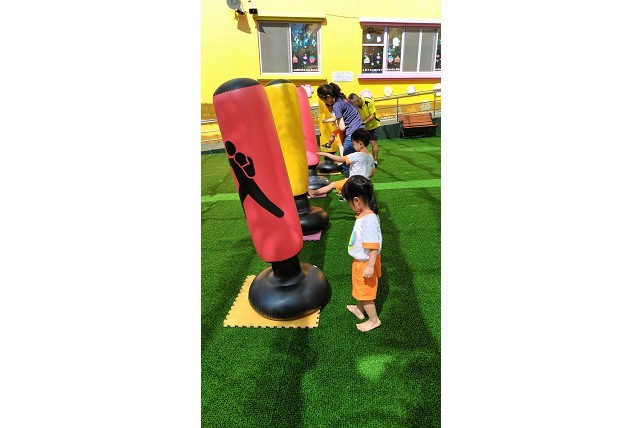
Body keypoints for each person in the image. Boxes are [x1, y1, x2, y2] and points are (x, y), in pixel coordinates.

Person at [342, 174, 382, 332]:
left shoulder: (368, 220)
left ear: (357, 200)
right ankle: (360, 310)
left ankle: (374, 320)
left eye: (349, 202)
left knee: (366, 295)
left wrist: (370, 266)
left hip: (365, 263)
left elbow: (373, 245)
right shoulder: (364, 215)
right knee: (360, 289)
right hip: (361, 262)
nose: (349, 205)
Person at [308, 129, 375, 201]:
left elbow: (340, 159)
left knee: (332, 185)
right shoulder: (370, 156)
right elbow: (372, 172)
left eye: (354, 144)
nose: (353, 146)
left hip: (354, 182)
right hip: (366, 182)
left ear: (360, 144)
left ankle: (314, 193)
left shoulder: (356, 155)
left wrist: (326, 154)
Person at [317, 83, 364, 177]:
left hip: (352, 133)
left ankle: (350, 182)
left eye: (323, 100)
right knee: (357, 159)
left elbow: (342, 128)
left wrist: (335, 121)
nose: (324, 102)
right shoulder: (344, 99)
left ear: (328, 97)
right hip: (362, 130)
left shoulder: (336, 105)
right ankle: (361, 179)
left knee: (346, 161)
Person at [348, 93, 381, 166]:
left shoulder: (369, 102)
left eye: (353, 103)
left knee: (373, 142)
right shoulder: (355, 106)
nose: (352, 105)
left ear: (357, 100)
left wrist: (364, 123)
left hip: (374, 125)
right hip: (363, 127)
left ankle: (375, 161)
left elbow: (372, 115)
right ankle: (363, 160)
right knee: (362, 144)